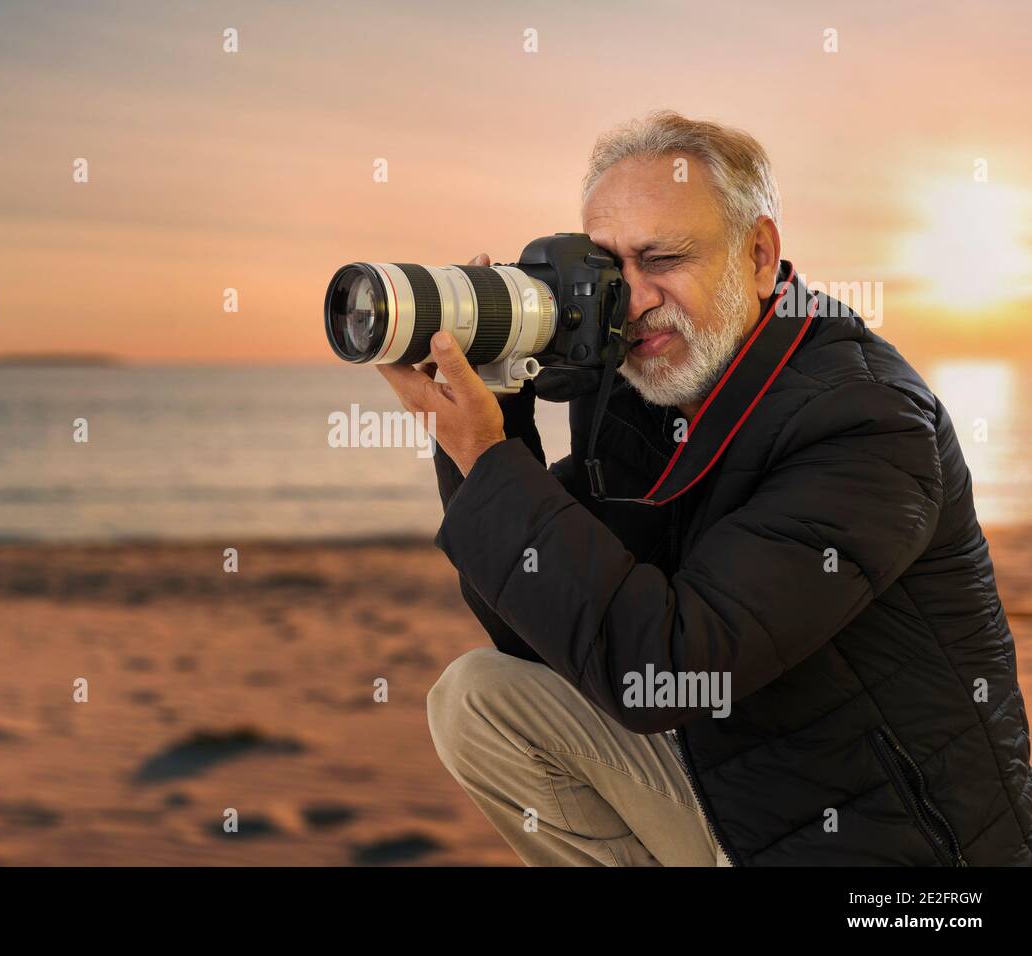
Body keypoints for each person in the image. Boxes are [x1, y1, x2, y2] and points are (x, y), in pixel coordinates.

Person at [377, 110, 1032, 866]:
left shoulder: (867, 423)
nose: (634, 298)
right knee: (479, 699)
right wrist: (503, 408)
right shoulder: (640, 389)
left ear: (758, 255)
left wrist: (488, 458)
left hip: (893, 856)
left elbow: (666, 671)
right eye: (608, 266)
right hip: (733, 796)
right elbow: (541, 635)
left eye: (662, 258)